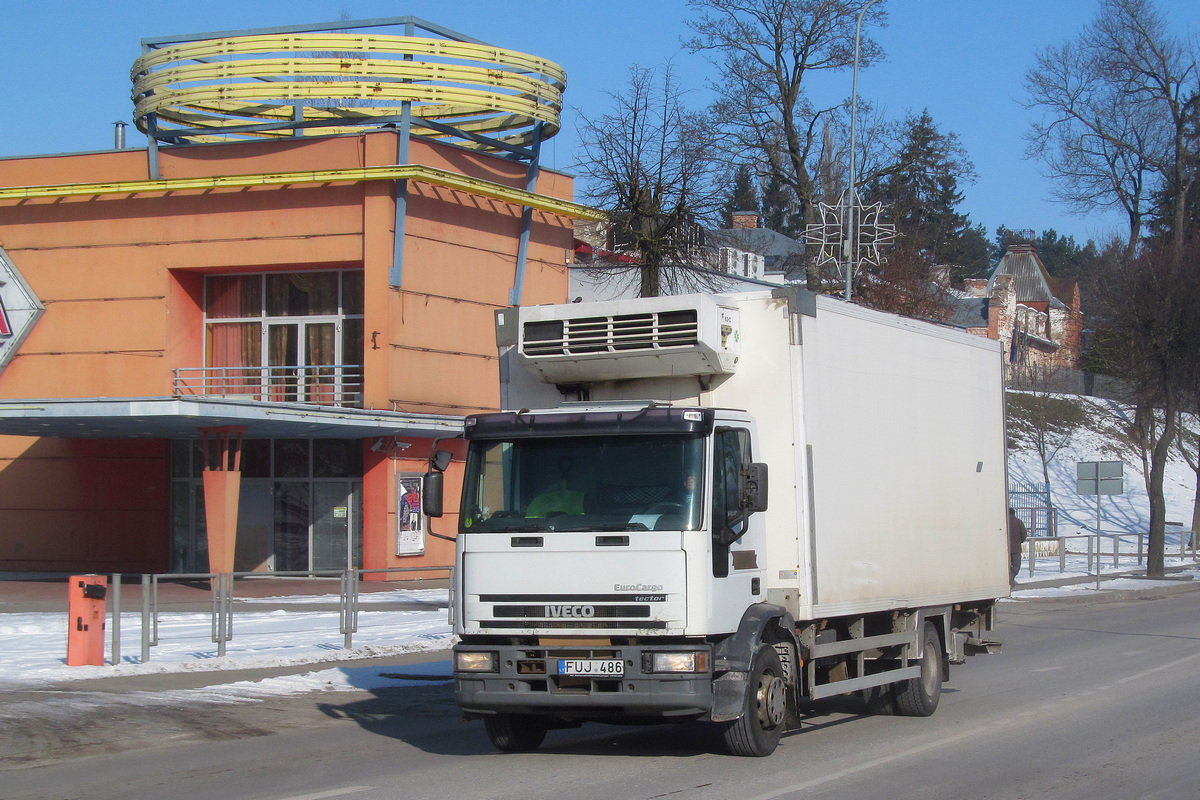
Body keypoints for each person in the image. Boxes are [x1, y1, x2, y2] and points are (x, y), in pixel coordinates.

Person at [1008, 507, 1028, 585]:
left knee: (1006, 565)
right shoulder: (1018, 522)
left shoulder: (1003, 522)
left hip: (1004, 549)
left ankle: (1008, 578)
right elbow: (1024, 534)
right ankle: (1011, 578)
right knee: (1016, 565)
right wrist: (1020, 541)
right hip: (1016, 549)